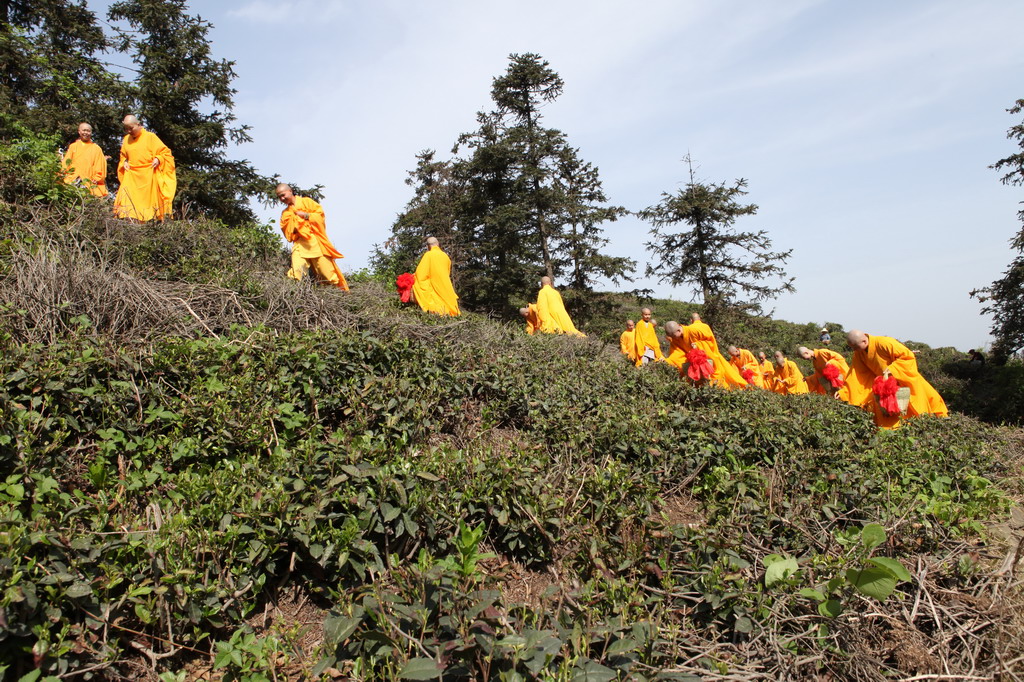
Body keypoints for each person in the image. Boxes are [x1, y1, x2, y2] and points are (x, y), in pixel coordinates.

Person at [840, 330, 948, 429]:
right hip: (885, 388)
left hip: (904, 381)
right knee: (886, 415)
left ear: (864, 341)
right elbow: (856, 373)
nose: (854, 350)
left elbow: (907, 356)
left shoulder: (884, 342)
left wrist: (892, 370)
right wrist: (845, 392)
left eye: (855, 346)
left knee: (920, 408)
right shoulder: (859, 353)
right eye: (851, 347)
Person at [276, 184, 349, 290]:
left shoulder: (307, 202)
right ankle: (297, 295)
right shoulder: (285, 213)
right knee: (297, 272)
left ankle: (337, 295)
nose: (282, 198)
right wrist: (295, 225)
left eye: (283, 195)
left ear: (290, 191)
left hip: (315, 242)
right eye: (279, 197)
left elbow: (320, 216)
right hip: (300, 244)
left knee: (327, 274)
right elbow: (288, 232)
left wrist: (306, 215)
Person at [113, 115, 175, 221]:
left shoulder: (150, 137)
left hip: (148, 177)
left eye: (131, 128)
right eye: (126, 129)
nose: (128, 131)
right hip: (132, 177)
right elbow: (123, 156)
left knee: (148, 210)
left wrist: (158, 158)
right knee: (127, 207)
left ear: (138, 124)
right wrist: (125, 162)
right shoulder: (126, 140)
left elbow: (166, 153)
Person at [682, 313, 747, 389]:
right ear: (700, 318)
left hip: (700, 357)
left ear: (691, 320)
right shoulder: (706, 326)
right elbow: (712, 340)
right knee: (720, 371)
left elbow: (690, 344)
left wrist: (697, 345)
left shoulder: (689, 328)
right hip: (712, 352)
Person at [412, 237, 460, 316]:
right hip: (446, 285)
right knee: (448, 304)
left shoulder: (428, 255)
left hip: (435, 285)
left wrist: (414, 276)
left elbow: (421, 274)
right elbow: (447, 272)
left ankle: (436, 312)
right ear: (438, 244)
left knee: (417, 283)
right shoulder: (445, 256)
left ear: (428, 246)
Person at [62, 122, 108, 197]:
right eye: (84, 130)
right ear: (79, 131)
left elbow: (100, 167)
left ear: (91, 133)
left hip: (88, 182)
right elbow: (66, 163)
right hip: (72, 179)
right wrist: (64, 174)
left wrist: (96, 178)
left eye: (88, 131)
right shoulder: (73, 146)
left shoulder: (96, 149)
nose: (86, 133)